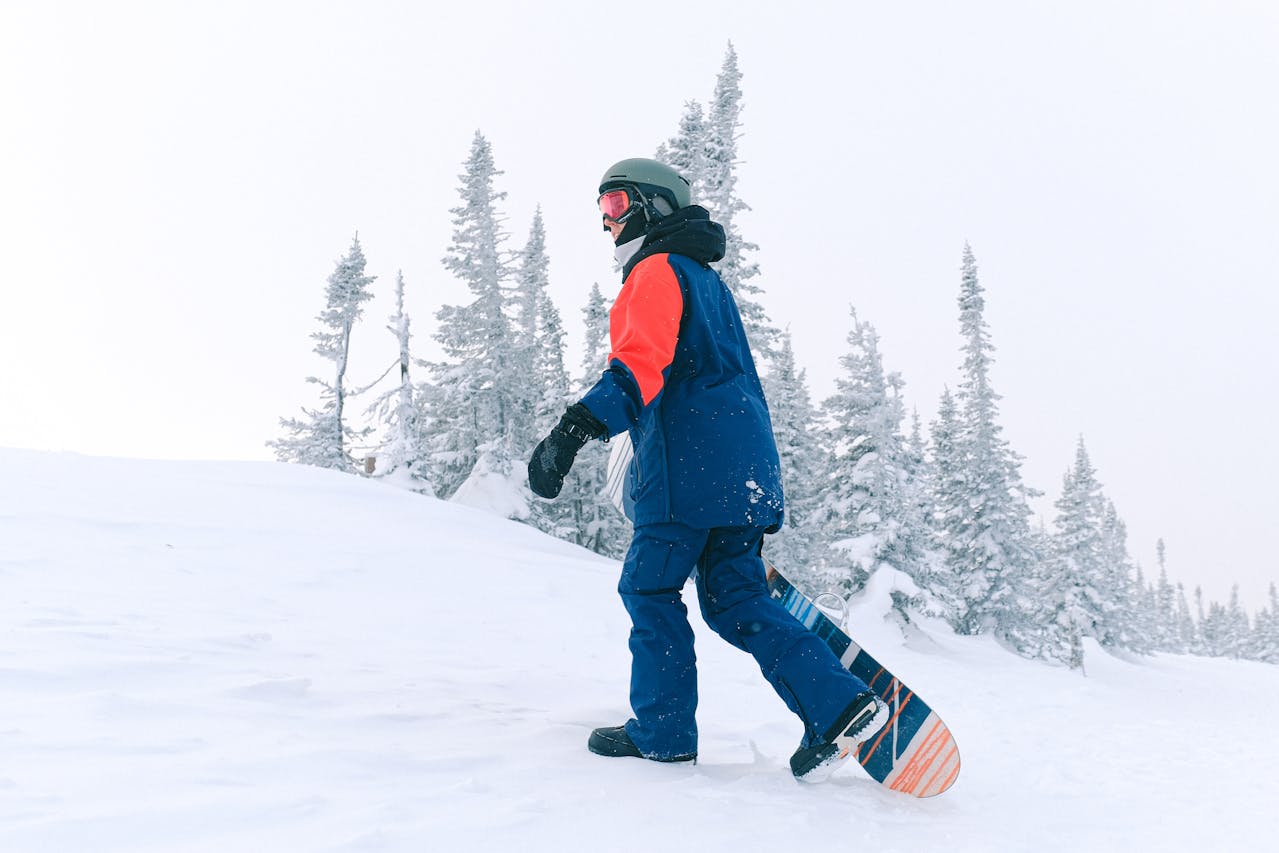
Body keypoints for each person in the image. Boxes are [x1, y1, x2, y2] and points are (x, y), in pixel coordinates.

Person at [527, 158, 889, 782]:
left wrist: (572, 429)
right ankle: (840, 705)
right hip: (742, 471)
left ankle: (663, 731)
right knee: (735, 598)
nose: (608, 223)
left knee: (649, 587)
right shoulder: (707, 281)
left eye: (616, 205)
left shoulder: (657, 270)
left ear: (652, 207)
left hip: (686, 474)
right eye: (603, 210)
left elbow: (641, 367)